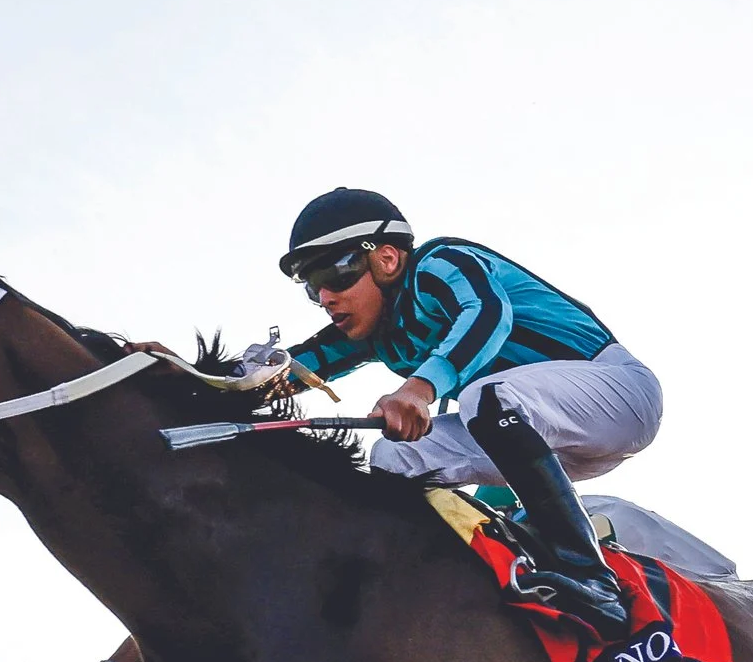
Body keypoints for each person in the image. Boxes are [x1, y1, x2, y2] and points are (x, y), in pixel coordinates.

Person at [268, 187, 664, 639]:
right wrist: (186, 373)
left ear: (387, 259)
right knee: (393, 458)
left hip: (619, 394)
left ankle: (595, 585)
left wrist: (419, 388)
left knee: (483, 396)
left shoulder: (441, 263)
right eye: (312, 288)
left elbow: (488, 314)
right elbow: (279, 373)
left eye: (334, 275)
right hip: (535, 436)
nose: (325, 297)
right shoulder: (374, 332)